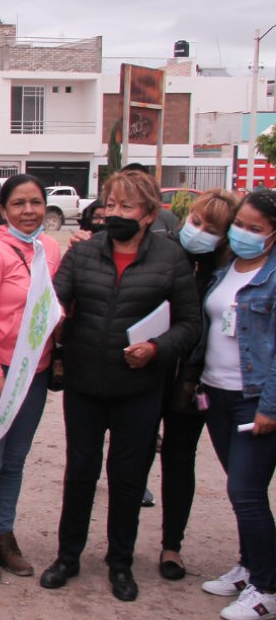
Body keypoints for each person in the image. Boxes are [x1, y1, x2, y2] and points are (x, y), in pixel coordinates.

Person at [40, 169, 202, 602]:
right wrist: (53, 314)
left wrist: (156, 348)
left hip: (139, 389)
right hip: (85, 383)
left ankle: (120, 563)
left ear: (149, 214)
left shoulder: (170, 260)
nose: (115, 213)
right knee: (80, 473)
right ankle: (67, 556)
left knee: (128, 478)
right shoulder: (84, 253)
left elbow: (190, 323)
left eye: (126, 207)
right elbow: (55, 302)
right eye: (110, 204)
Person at [0, 174, 60, 581]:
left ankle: (5, 534)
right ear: (3, 209)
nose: (29, 211)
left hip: (33, 371)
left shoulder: (51, 249)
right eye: (19, 203)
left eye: (35, 202)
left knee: (15, 459)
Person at [194, 191, 276, 620]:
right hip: (217, 393)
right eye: (240, 224)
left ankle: (267, 589)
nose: (243, 233)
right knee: (243, 488)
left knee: (244, 491)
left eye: (255, 229)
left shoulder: (273, 275)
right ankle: (249, 565)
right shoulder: (227, 267)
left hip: (254, 399)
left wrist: (271, 406)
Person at [156, 190, 239, 581]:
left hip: (191, 381)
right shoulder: (163, 251)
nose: (200, 231)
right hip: (150, 371)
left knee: (179, 459)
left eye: (213, 228)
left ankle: (172, 545)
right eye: (197, 221)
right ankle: (117, 546)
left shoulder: (227, 271)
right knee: (134, 458)